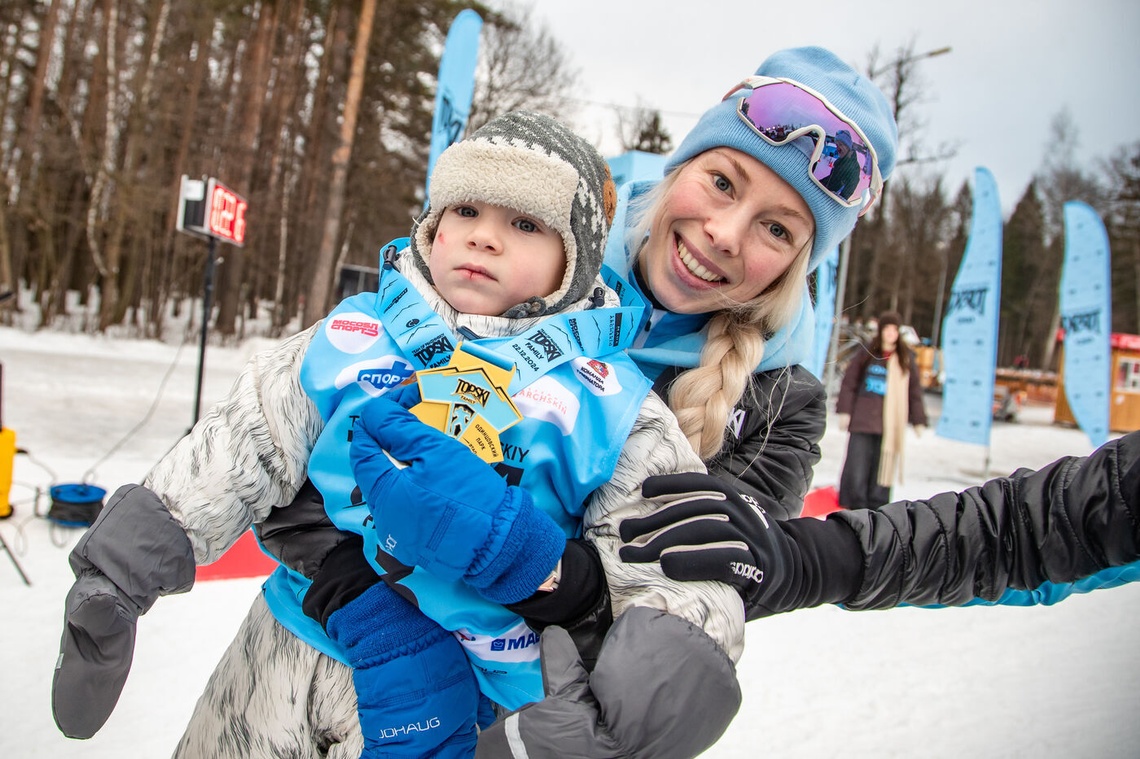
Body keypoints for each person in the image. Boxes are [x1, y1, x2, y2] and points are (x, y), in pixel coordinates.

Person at [51, 110, 743, 759]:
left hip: (466, 698)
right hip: (287, 643)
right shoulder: (357, 334)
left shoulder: (605, 399)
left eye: (525, 222)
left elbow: (675, 564)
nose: (483, 235)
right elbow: (242, 441)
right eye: (464, 210)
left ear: (576, 262)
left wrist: (616, 718)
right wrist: (121, 570)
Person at [835, 310, 927, 509]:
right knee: (857, 466)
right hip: (863, 419)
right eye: (887, 329)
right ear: (881, 331)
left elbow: (914, 391)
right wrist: (844, 410)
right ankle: (852, 504)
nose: (890, 333)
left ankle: (877, 506)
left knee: (882, 468)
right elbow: (850, 381)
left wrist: (919, 419)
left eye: (894, 329)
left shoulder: (905, 358)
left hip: (890, 424)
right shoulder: (867, 353)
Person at [820, 128, 863, 201]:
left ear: (847, 146)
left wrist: (839, 200)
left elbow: (849, 188)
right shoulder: (841, 161)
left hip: (830, 199)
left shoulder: (853, 166)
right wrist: (820, 183)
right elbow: (832, 178)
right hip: (826, 193)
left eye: (841, 144)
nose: (838, 148)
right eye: (837, 145)